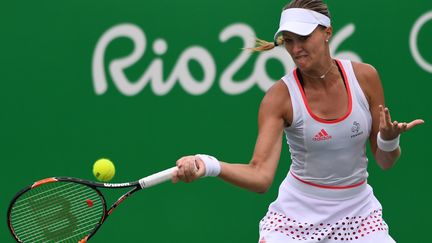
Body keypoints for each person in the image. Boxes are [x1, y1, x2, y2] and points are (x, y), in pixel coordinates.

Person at [172, 0, 424, 242]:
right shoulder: (278, 98)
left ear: (327, 32)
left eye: (303, 38)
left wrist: (389, 141)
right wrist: (208, 164)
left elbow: (385, 161)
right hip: (296, 220)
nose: (295, 49)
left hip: (359, 215)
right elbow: (260, 176)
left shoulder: (365, 77)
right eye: (289, 41)